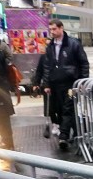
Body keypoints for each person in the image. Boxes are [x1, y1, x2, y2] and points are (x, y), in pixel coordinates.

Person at [38, 19, 89, 150]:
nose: (52, 32)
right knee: (59, 110)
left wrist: (83, 81)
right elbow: (47, 66)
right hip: (55, 84)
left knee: (68, 108)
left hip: (70, 83)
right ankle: (74, 132)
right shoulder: (50, 47)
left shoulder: (73, 44)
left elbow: (84, 63)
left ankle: (64, 136)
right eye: (51, 29)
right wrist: (46, 84)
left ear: (61, 28)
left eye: (54, 29)